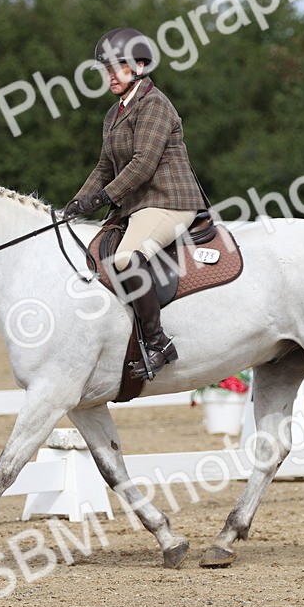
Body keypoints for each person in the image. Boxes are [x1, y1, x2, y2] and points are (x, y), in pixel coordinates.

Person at [64, 27, 209, 379]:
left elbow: (143, 164)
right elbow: (103, 167)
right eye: (106, 69)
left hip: (170, 201)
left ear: (140, 66)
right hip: (139, 205)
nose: (110, 76)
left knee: (127, 257)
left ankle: (158, 343)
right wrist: (77, 202)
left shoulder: (155, 104)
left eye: (118, 67)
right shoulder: (114, 113)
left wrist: (104, 197)